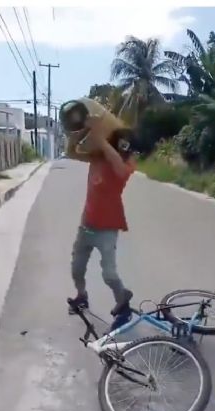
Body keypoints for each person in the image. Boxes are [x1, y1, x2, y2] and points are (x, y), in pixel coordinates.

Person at [69, 119, 137, 331]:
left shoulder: (126, 165)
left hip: (107, 229)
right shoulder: (96, 158)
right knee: (77, 269)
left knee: (109, 273)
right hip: (86, 225)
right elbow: (72, 153)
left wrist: (101, 141)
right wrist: (77, 136)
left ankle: (123, 302)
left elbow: (119, 168)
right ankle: (82, 296)